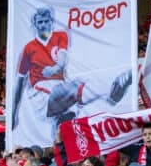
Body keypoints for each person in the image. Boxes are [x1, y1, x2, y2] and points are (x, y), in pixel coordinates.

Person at [12, 8, 132, 137]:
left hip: (60, 85)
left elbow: (62, 59)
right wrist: (13, 114)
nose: (43, 25)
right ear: (35, 24)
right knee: (74, 88)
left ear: (51, 22)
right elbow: (19, 83)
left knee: (66, 130)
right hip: (40, 92)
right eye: (40, 22)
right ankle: (112, 88)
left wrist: (55, 68)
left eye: (46, 21)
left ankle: (113, 93)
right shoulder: (29, 48)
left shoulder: (61, 36)